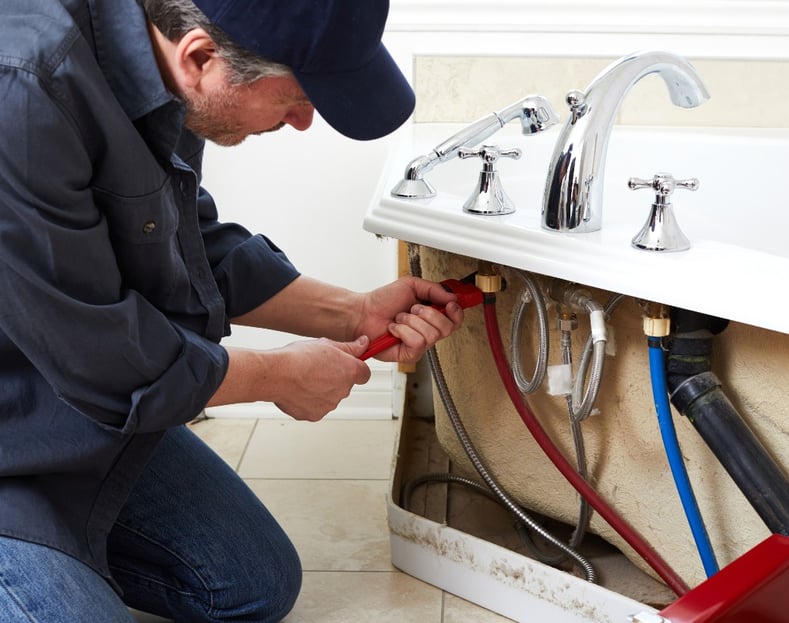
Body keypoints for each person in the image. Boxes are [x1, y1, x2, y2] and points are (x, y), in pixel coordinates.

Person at [0, 0, 463, 621]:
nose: (304, 121)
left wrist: (356, 313)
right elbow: (107, 362)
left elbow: (184, 240)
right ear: (201, 57)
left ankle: (57, 561)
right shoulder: (23, 92)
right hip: (20, 416)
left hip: (71, 406)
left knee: (252, 583)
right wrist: (277, 377)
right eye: (298, 96)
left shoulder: (159, 65)